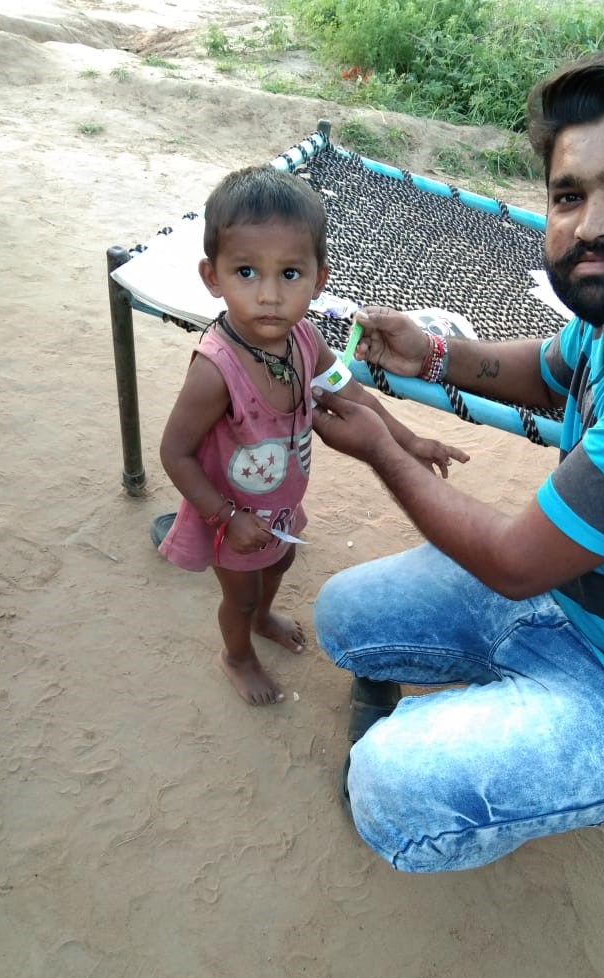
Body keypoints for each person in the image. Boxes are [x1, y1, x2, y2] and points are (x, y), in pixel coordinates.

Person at [311, 48, 604, 872]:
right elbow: (548, 372)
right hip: (574, 594)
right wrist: (432, 353)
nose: (592, 227)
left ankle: (571, 747)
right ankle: (510, 700)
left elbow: (516, 564)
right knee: (345, 616)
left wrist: (381, 445)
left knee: (395, 788)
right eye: (569, 195)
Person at [158, 166, 468, 707]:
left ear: (319, 278)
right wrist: (226, 518)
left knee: (280, 563)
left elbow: (352, 395)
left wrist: (410, 442)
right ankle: (237, 654)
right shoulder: (215, 369)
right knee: (239, 593)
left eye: (290, 274)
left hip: (280, 506)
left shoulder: (304, 338)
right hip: (232, 518)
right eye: (247, 272)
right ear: (213, 276)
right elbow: (174, 452)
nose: (270, 295)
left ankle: (262, 619)